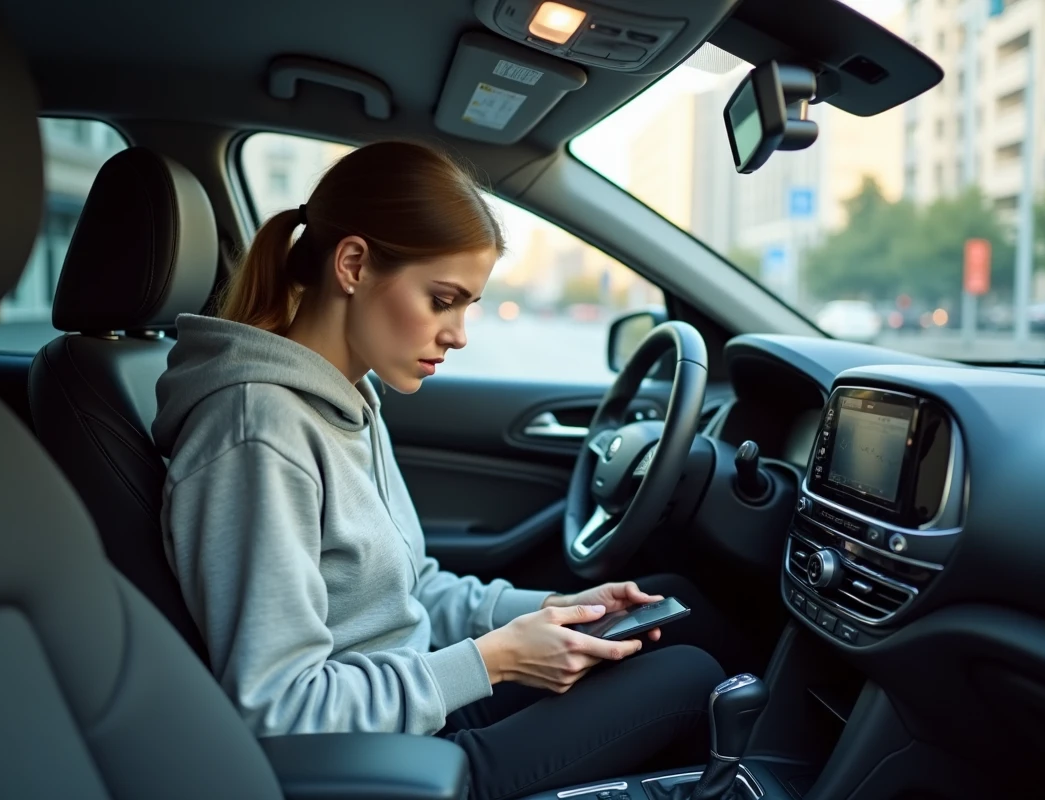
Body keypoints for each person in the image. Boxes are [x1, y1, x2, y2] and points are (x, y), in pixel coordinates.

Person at [153, 141, 731, 800]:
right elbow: (276, 708)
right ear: (353, 265)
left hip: (411, 704)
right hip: (382, 763)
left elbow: (407, 588)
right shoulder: (257, 434)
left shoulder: (348, 397)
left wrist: (553, 609)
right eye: (442, 299)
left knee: (677, 608)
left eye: (467, 306)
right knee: (688, 677)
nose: (458, 333)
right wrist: (495, 660)